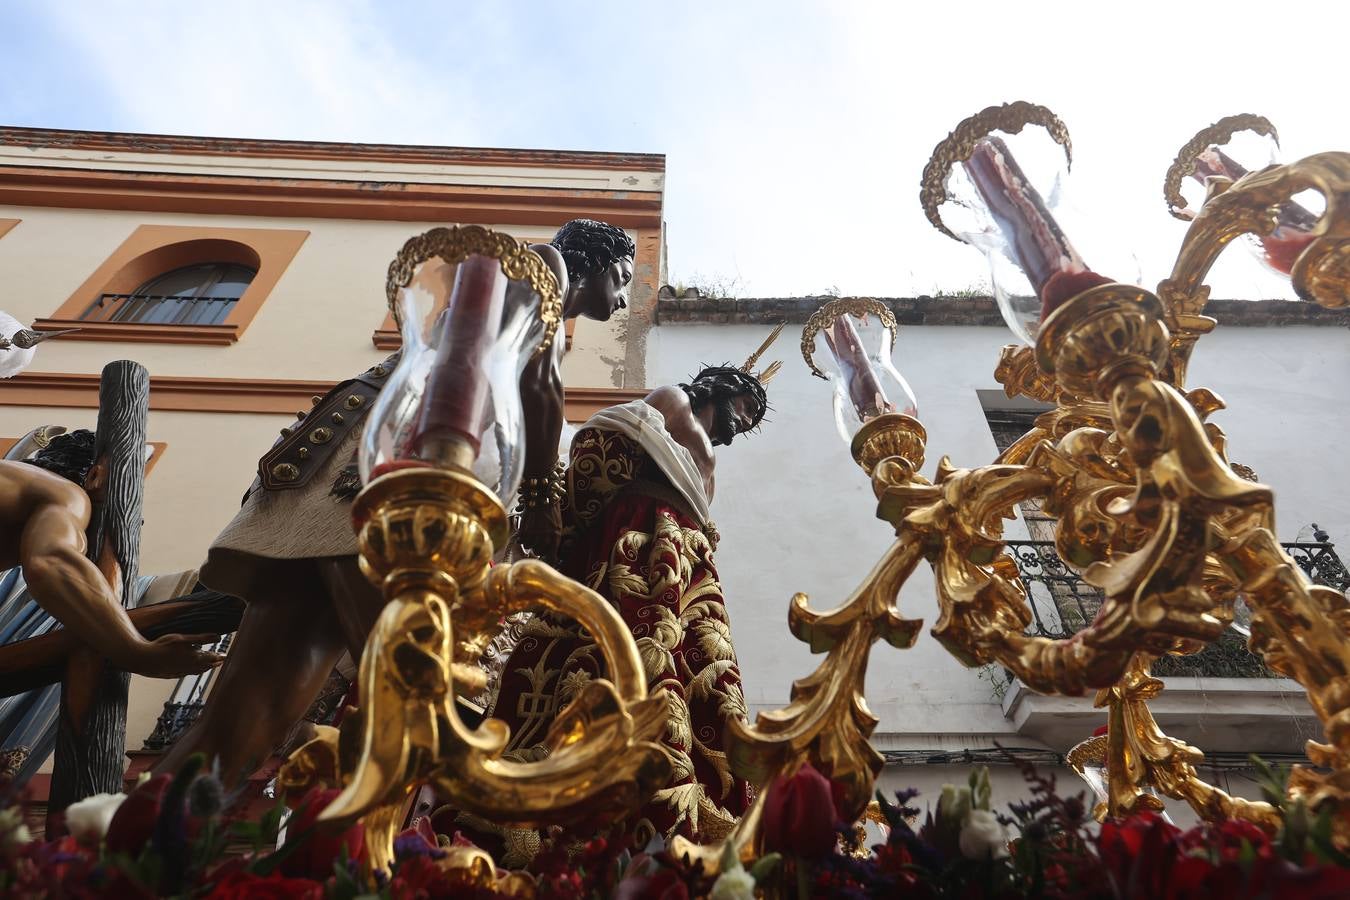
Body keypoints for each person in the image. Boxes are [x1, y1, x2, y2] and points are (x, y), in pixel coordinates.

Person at [157, 220, 636, 785]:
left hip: (344, 452)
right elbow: (542, 379)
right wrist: (538, 495)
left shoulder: (508, 287)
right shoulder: (545, 263)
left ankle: (135, 851)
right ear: (594, 262)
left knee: (251, 712)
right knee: (414, 689)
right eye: (622, 277)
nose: (624, 296)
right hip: (394, 462)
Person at [480, 329, 783, 848]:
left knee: (687, 663)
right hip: (636, 535)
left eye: (753, 419)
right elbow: (606, 444)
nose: (744, 422)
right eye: (744, 406)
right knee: (621, 647)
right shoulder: (674, 400)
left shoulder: (709, 460)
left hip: (686, 560)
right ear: (717, 386)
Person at [0, 430, 219, 678]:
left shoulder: (20, 485)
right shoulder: (66, 494)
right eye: (128, 493)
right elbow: (50, 563)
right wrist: (138, 652)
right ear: (95, 475)